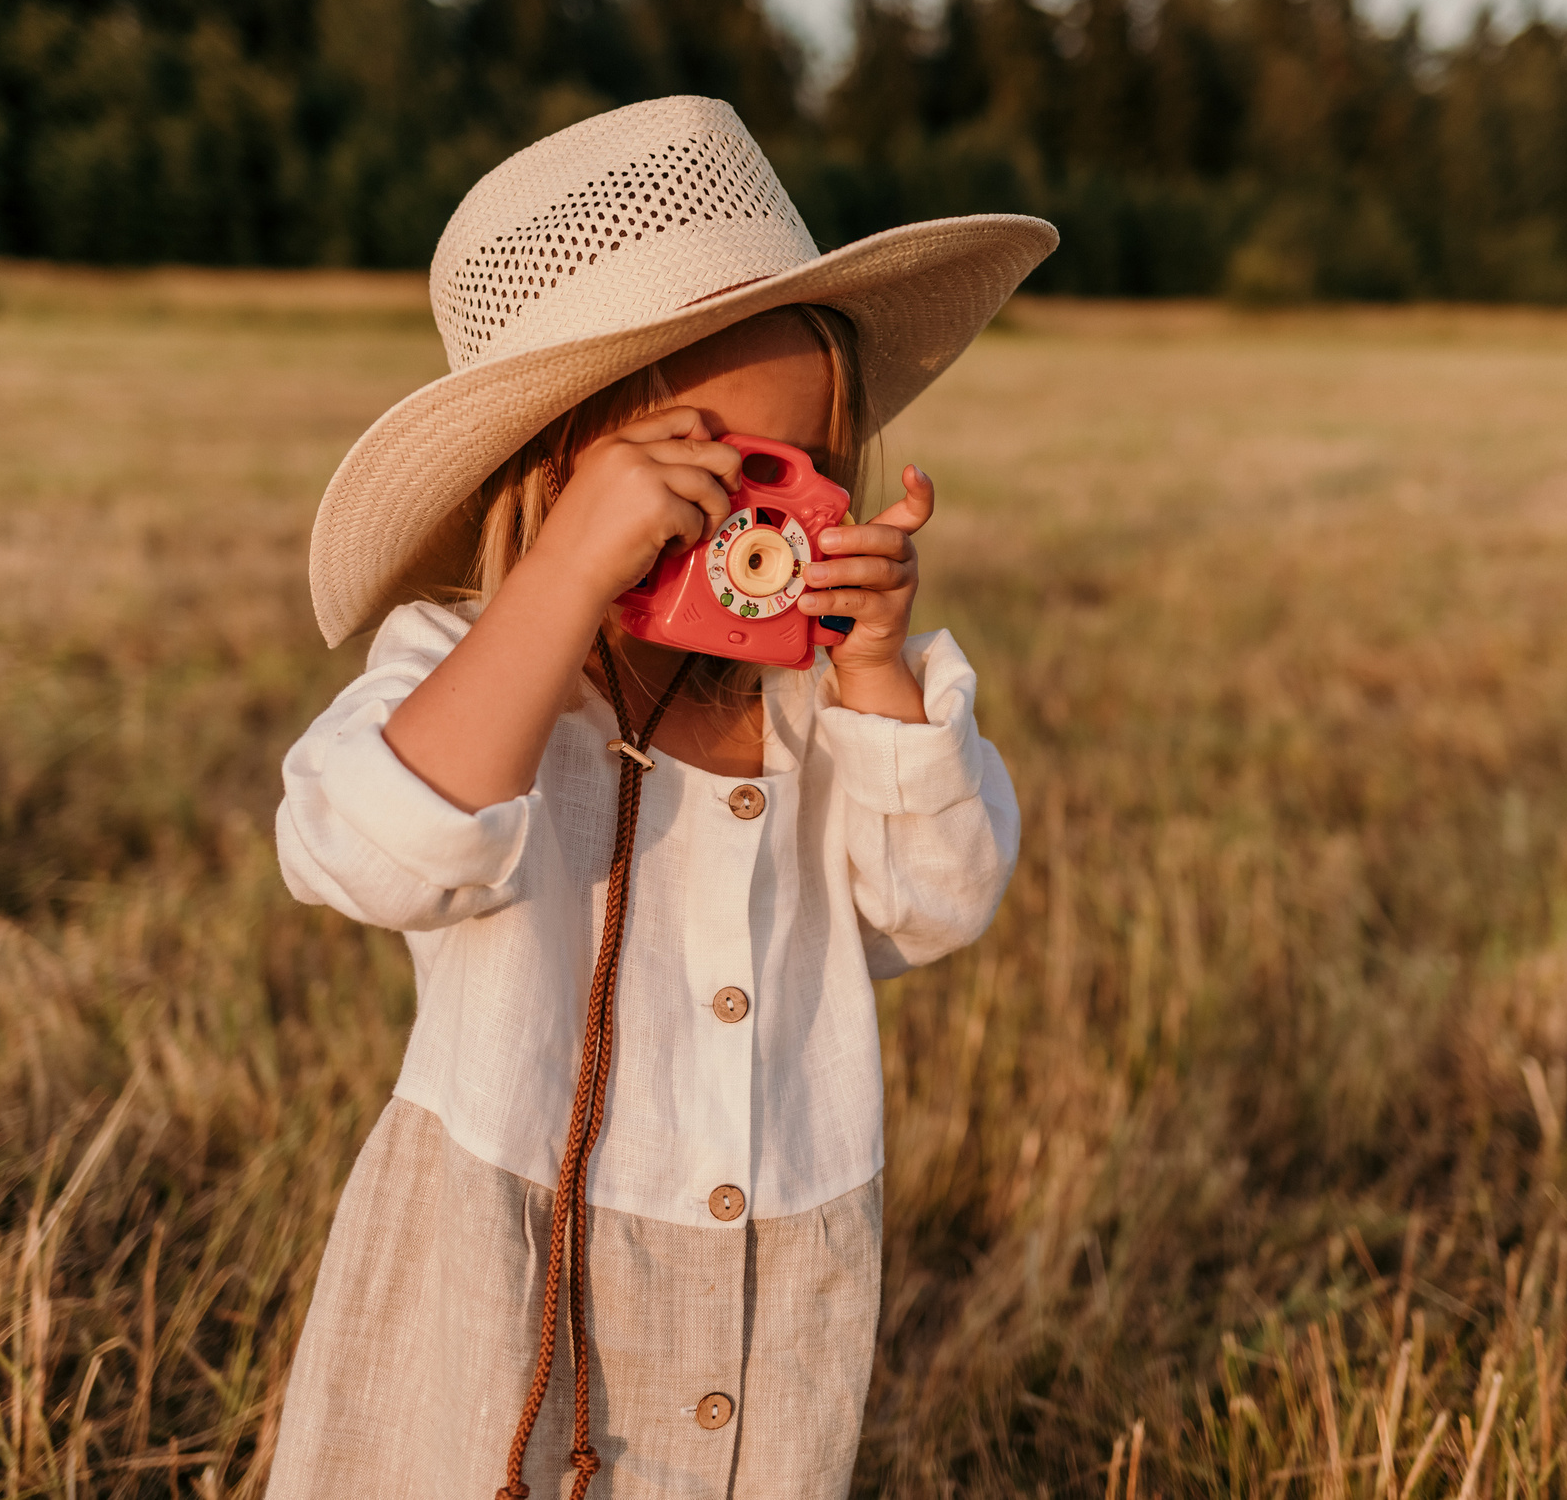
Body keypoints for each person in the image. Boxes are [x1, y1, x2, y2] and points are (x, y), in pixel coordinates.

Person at [265, 96, 1056, 1499]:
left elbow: (941, 897)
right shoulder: (476, 677)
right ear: (558, 472)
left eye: (802, 475)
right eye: (713, 474)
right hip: (499, 1284)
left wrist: (873, 671)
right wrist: (564, 585)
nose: (760, 525)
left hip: (768, 1286)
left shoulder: (819, 715)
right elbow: (362, 848)